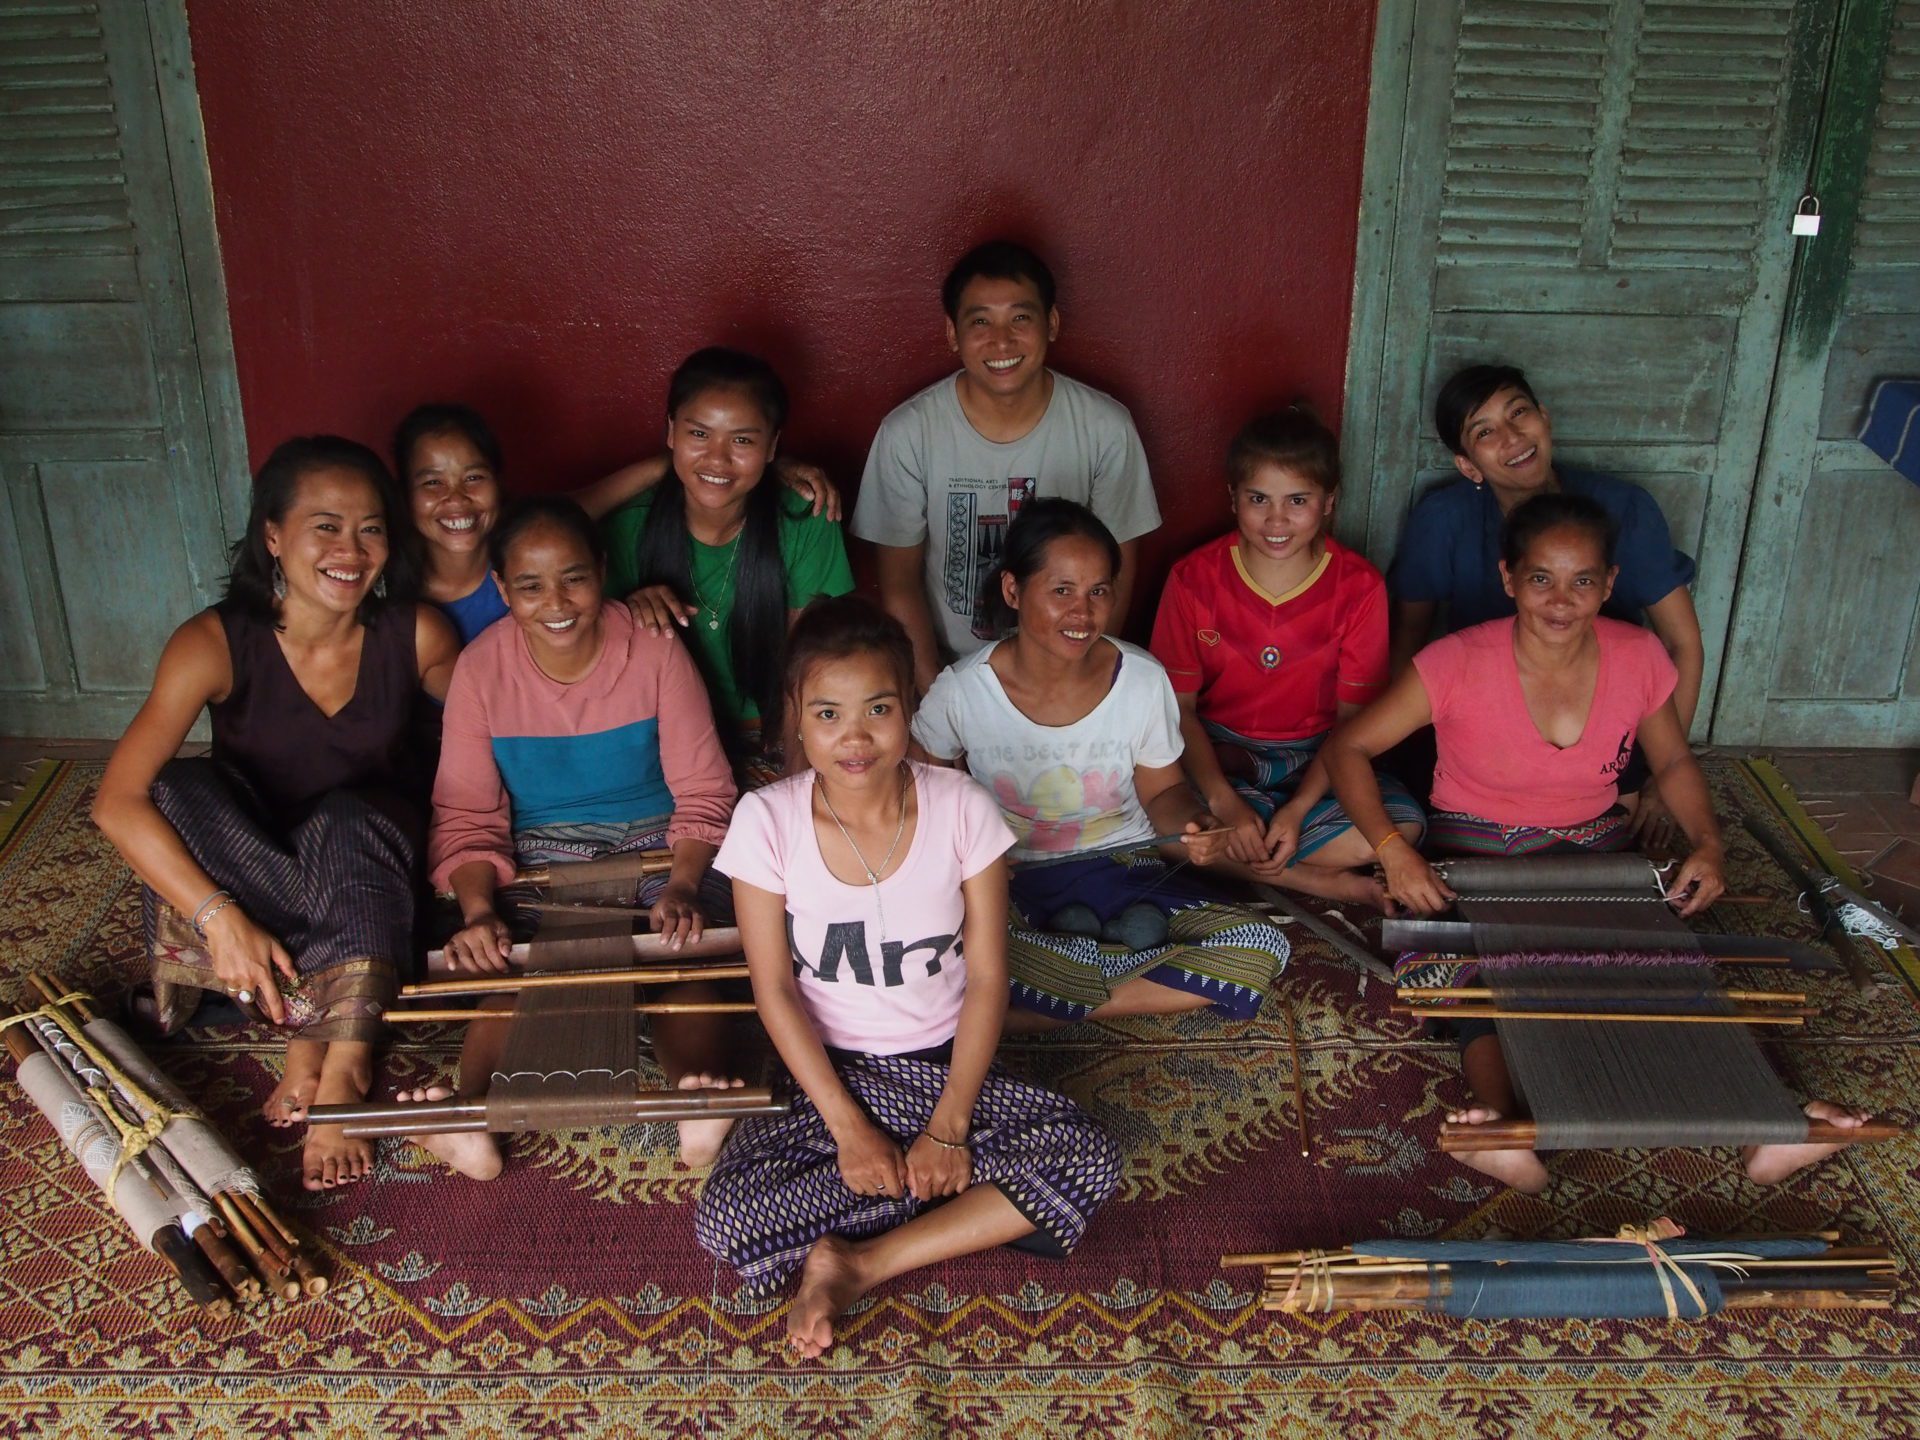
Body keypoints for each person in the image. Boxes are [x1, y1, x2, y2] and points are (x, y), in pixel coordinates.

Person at [1325, 492, 1870, 1192]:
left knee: (1655, 962)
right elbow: (1349, 748)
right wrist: (1394, 851)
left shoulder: (1638, 655)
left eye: (1583, 580)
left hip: (1594, 852)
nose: (1561, 599)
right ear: (1508, 579)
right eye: (1542, 579)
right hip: (1475, 859)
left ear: (1609, 585)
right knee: (1474, 972)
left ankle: (1773, 1126)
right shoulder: (1456, 660)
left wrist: (1708, 842)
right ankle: (1500, 1119)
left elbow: (1670, 762)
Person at [695, 597, 1120, 1359]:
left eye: (879, 709)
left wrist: (950, 1127)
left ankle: (860, 1258)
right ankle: (947, 1204)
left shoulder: (961, 808)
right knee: (724, 1219)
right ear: (795, 717)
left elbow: (990, 977)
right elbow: (776, 992)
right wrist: (851, 1131)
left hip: (942, 1071)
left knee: (1090, 1155)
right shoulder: (767, 820)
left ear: (910, 710)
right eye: (827, 713)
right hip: (828, 1080)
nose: (853, 737)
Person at [92, 437, 461, 1190]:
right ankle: (306, 1028)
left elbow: (496, 742)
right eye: (325, 526)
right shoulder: (213, 643)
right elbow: (115, 803)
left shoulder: (416, 634)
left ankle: (341, 1064)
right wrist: (217, 918)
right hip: (258, 874)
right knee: (178, 789)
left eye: (370, 528)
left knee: (351, 820)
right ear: (273, 536)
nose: (350, 551)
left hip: (369, 871)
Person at [412, 498, 742, 1175]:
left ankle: (697, 1101)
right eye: (529, 586)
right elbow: (468, 815)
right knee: (521, 969)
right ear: (501, 589)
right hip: (541, 863)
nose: (555, 602)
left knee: (684, 955)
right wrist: (477, 913)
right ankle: (469, 1116)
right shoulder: (480, 670)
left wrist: (682, 884)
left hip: (662, 847)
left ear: (601, 571)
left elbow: (704, 789)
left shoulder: (652, 647)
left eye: (573, 578)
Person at [913, 500, 1290, 1027]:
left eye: (1098, 592)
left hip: (1125, 870)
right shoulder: (962, 692)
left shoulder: (1139, 678)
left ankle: (1024, 1008)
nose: (1082, 613)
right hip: (1011, 882)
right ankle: (1112, 977)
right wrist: (969, 861)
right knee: (941, 949)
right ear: (1013, 591)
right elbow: (925, 796)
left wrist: (1193, 825)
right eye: (1061, 590)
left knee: (1260, 944)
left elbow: (1162, 792)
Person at [1386, 363, 1705, 844]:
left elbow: (1683, 642)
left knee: (1608, 832)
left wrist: (1663, 772)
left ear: (1545, 417)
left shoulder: (1623, 510)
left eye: (1519, 413)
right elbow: (1407, 640)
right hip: (1479, 729)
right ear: (1468, 464)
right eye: (1485, 431)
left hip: (1595, 734)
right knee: (1419, 824)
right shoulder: (1445, 518)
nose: (1513, 438)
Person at [851, 240, 1161, 694]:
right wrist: (939, 701)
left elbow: (1118, 573)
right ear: (953, 333)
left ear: (1051, 323)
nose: (1002, 341)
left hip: (1065, 672)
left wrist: (1073, 691)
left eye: (1020, 318)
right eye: (980, 321)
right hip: (952, 672)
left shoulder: (1104, 426)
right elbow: (899, 585)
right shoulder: (908, 432)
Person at [1150, 407, 1424, 908]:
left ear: (1328, 503)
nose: (1276, 520)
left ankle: (1248, 860)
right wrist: (1222, 800)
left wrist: (1298, 810)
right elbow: (1177, 710)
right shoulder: (1194, 578)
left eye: (1298, 500)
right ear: (1233, 499)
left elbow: (1353, 724)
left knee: (1399, 826)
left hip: (1317, 759)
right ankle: (1312, 880)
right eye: (1259, 499)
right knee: (1167, 825)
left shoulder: (1359, 587)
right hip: (1220, 755)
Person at [394, 400, 838, 647]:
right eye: (432, 483)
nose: (456, 501)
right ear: (403, 495)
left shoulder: (532, 537)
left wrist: (756, 468)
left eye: (474, 478)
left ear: (499, 483)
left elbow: (652, 475)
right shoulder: (386, 576)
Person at [600, 348, 854, 767]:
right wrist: (624, 617)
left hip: (774, 732)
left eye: (742, 440)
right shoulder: (629, 528)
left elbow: (810, 665)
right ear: (671, 433)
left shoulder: (804, 518)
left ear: (772, 445)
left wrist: (796, 786)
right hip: (659, 737)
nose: (717, 458)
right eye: (698, 434)